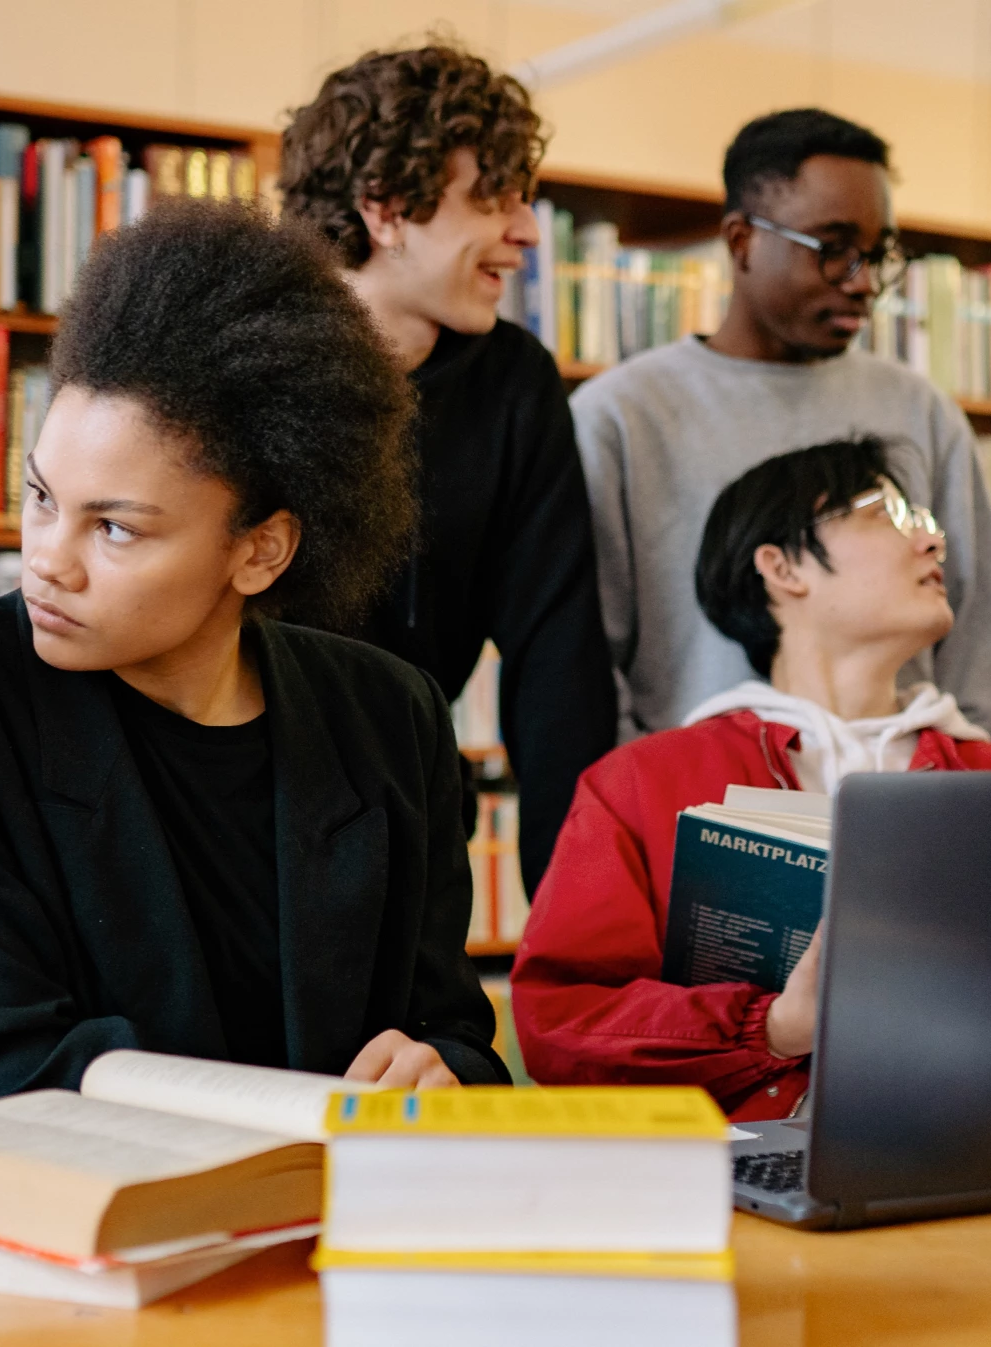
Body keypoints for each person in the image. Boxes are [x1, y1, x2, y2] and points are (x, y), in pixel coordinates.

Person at [0, 199, 508, 1116]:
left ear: (261, 550)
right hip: (30, 1233)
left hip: (319, 1231)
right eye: (40, 496)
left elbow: (454, 1028)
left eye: (113, 527)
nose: (46, 558)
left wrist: (443, 1066)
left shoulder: (389, 715)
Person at [512, 438, 991, 1120]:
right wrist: (774, 1025)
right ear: (782, 566)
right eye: (890, 513)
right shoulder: (639, 785)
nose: (933, 542)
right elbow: (562, 1023)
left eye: (929, 522)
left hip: (982, 1161)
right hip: (730, 1184)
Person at [572, 108, 991, 748]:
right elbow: (587, 661)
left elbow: (983, 644)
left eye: (878, 255)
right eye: (833, 249)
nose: (864, 282)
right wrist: (644, 807)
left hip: (906, 809)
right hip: (701, 812)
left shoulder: (920, 413)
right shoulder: (620, 416)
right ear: (741, 241)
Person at [278, 42, 615, 895]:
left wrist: (572, 917)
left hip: (410, 841)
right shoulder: (245, 360)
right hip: (233, 834)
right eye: (493, 197)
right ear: (385, 207)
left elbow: (557, 662)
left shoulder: (516, 384)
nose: (528, 230)